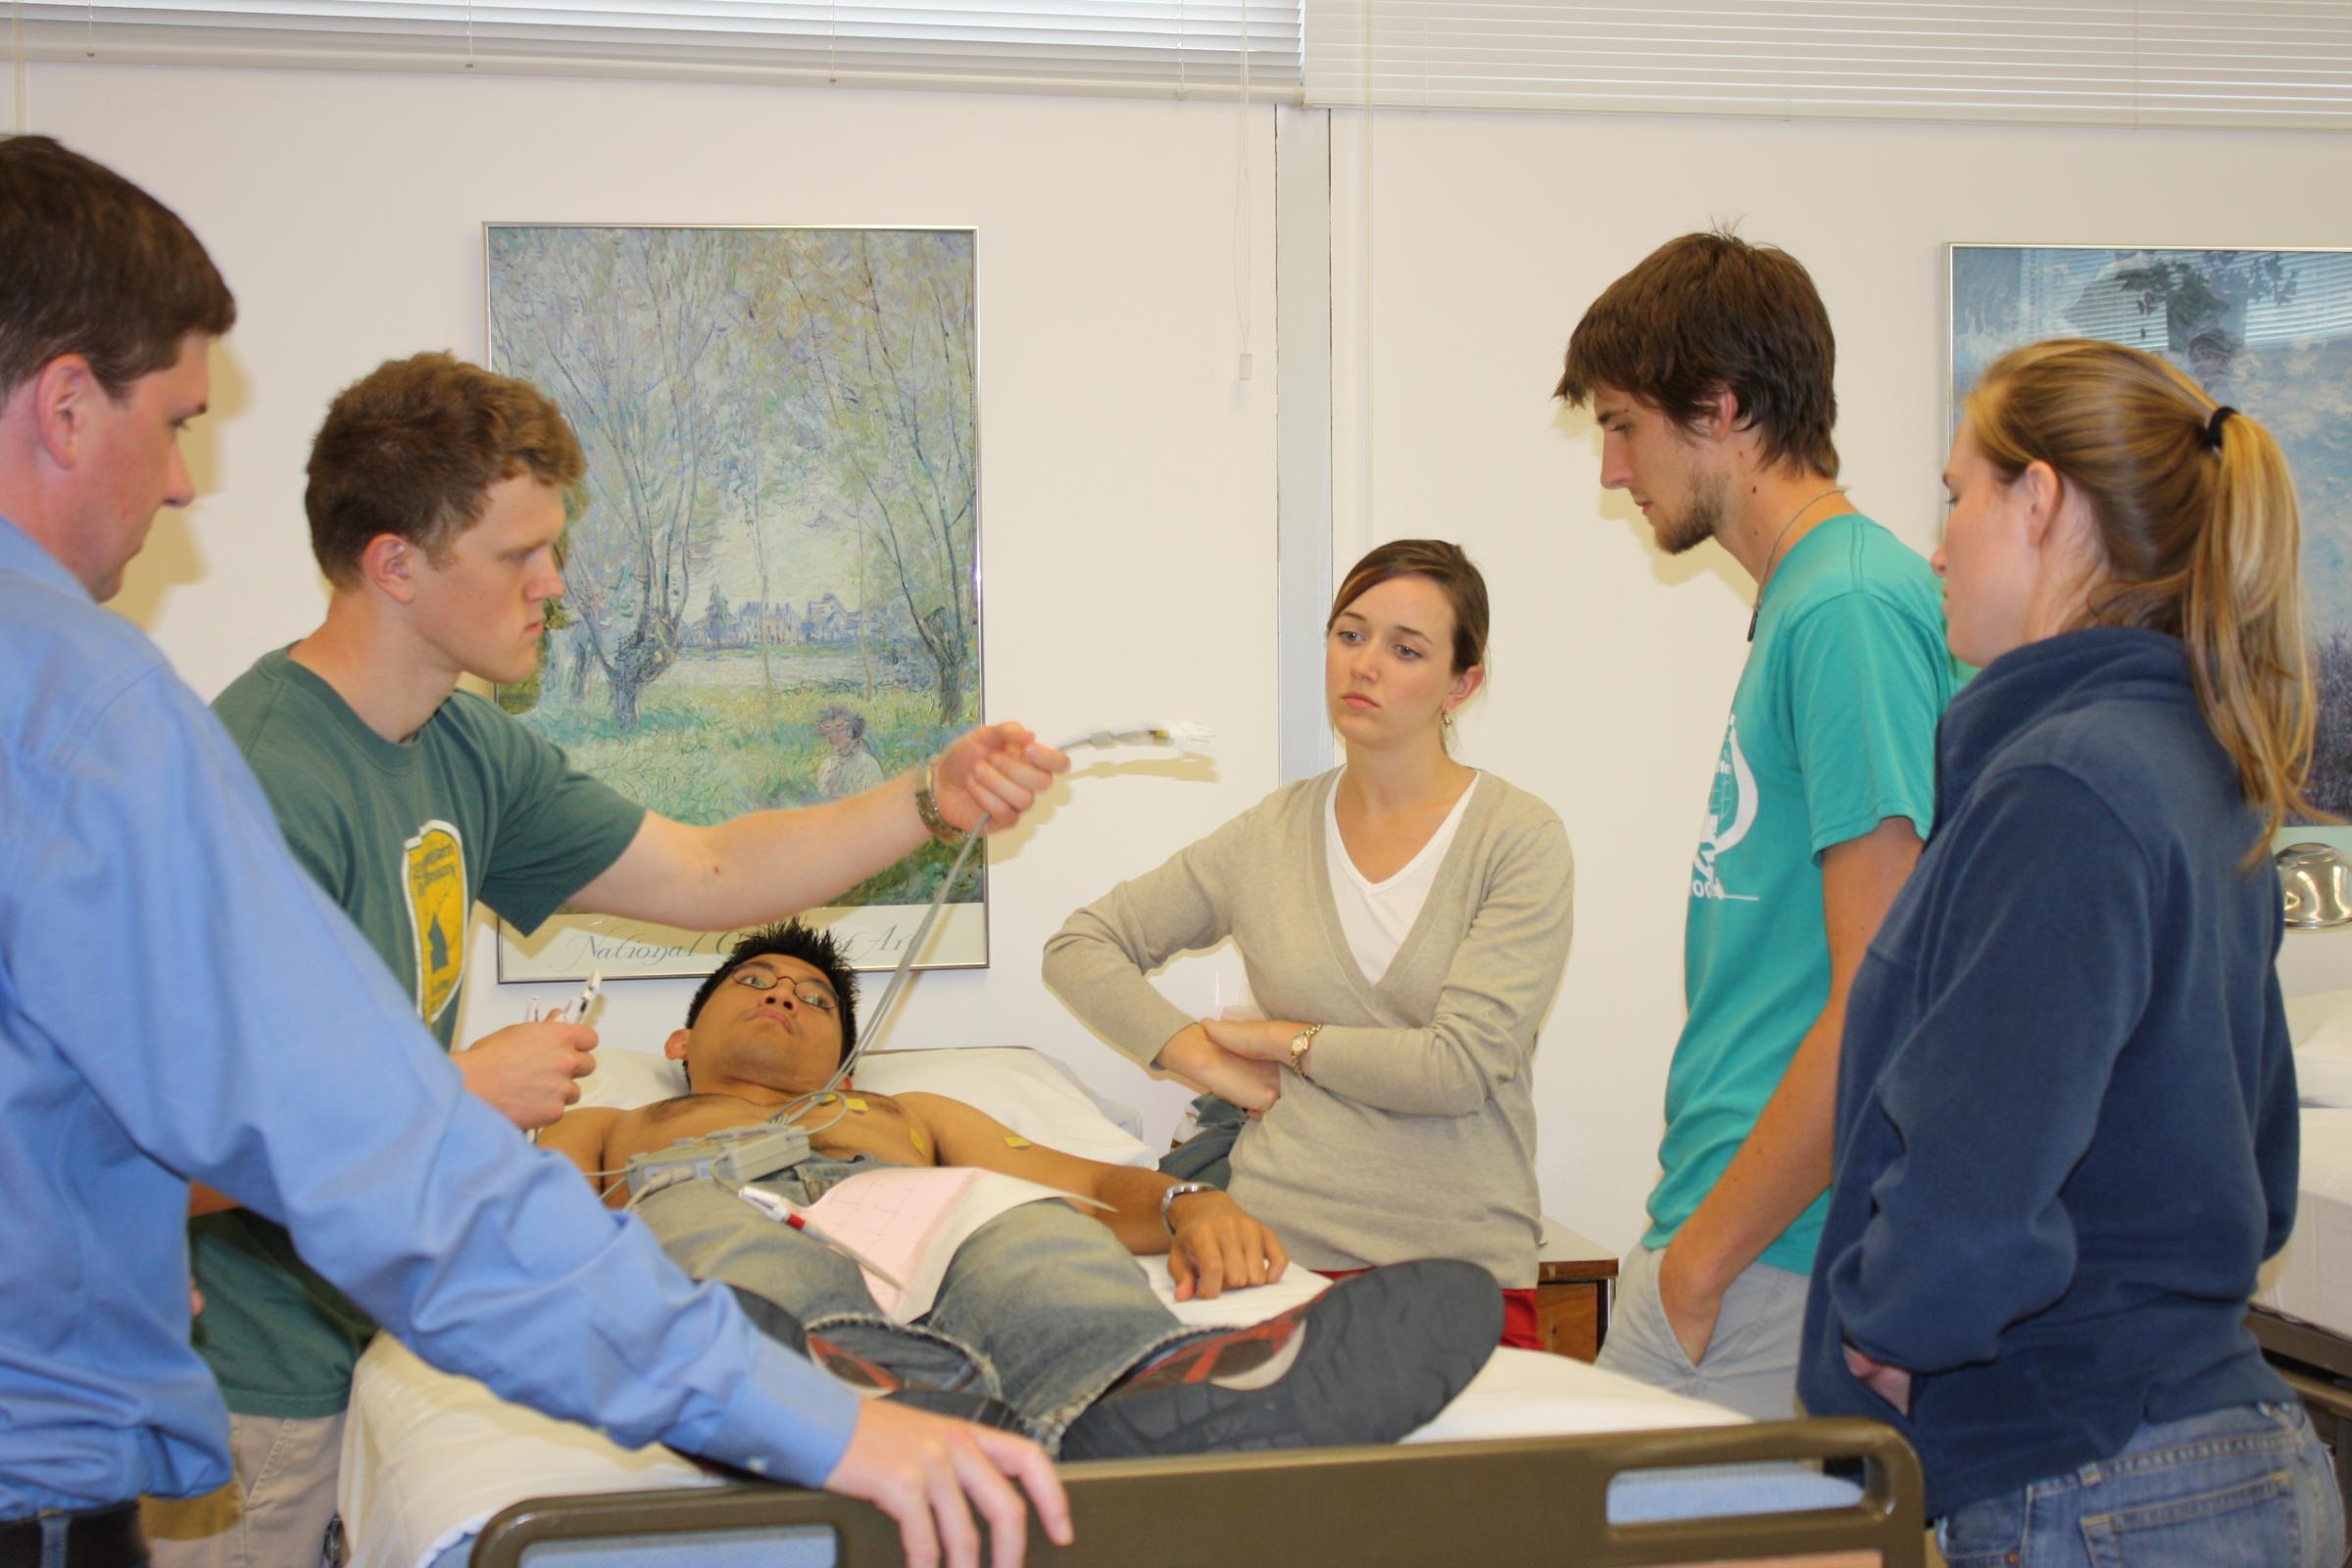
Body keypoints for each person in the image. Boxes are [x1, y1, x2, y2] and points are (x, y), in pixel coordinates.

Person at [0, 134, 1068, 1568]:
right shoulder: (189, 745)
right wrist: (814, 1420)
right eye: (522, 555)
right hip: (258, 1384)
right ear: (397, 564)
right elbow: (330, 1145)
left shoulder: (465, 750)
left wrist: (928, 804)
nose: (186, 482)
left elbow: (703, 878)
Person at [1800, 339, 2346, 1565]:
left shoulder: (2064, 785)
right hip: (2230, 1461)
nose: (1937, 546)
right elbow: (2257, 1183)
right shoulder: (2198, 771)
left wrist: (1889, 1325)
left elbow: (1976, 1184)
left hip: (2101, 1477)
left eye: (1955, 496)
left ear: (2038, 499)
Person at [544, 919, 1500, 1456]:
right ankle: (830, 1388)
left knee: (1026, 1226)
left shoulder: (903, 1113)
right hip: (713, 1203)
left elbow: (1079, 1180)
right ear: (679, 1040)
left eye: (816, 998)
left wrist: (1187, 1201)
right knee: (725, 1247)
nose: (786, 997)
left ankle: (1139, 1387)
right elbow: (525, 1223)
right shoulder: (614, 1122)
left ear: (843, 1061)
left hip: (907, 1214)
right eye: (756, 981)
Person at [1552, 230, 1955, 1419]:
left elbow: (1882, 992)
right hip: (1742, 1244)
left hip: (1773, 1258)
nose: (1614, 471)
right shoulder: (1810, 602)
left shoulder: (1848, 606)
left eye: (1625, 424)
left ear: (1720, 409)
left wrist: (1701, 1267)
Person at [1044, 539, 1573, 1348]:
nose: (1364, 666)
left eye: (1406, 649)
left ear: (1462, 685)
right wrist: (1203, 1058)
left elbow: (1460, 1069)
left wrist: (1286, 1042)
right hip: (1271, 1259)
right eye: (1349, 634)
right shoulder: (1271, 834)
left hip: (1459, 1271)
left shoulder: (1517, 839)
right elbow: (1081, 946)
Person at [816, 704, 890, 800]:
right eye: (828, 731)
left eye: (840, 729)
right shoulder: (826, 766)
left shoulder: (866, 764)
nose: (834, 736)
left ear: (850, 730)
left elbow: (878, 803)